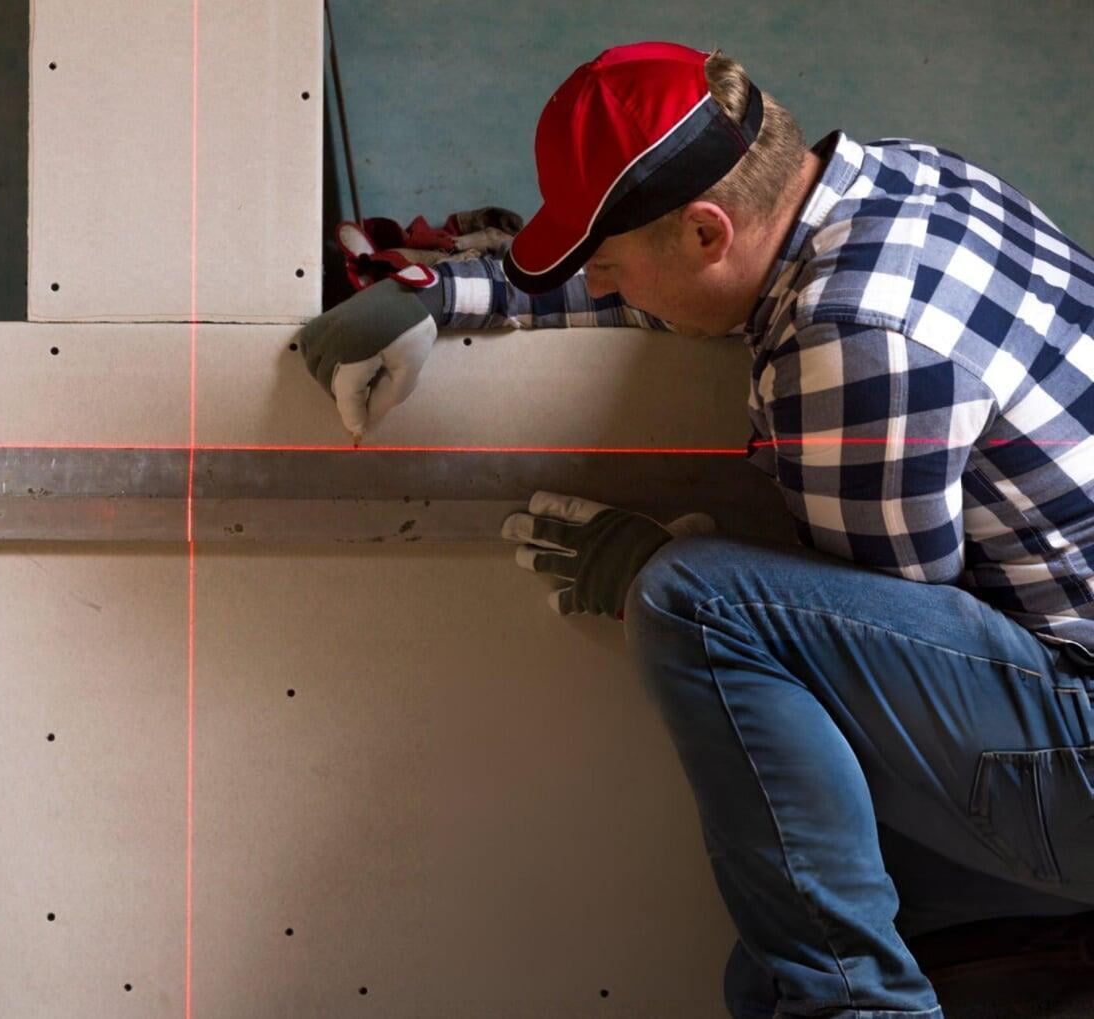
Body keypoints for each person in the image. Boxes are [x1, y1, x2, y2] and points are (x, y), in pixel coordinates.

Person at [297, 40, 1094, 1018]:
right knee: (767, 978)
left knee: (700, 601)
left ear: (707, 230)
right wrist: (438, 294)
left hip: (1080, 752)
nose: (608, 290)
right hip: (1065, 713)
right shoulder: (899, 184)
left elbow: (867, 662)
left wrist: (652, 572)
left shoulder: (850, 341)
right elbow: (683, 286)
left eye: (613, 268)